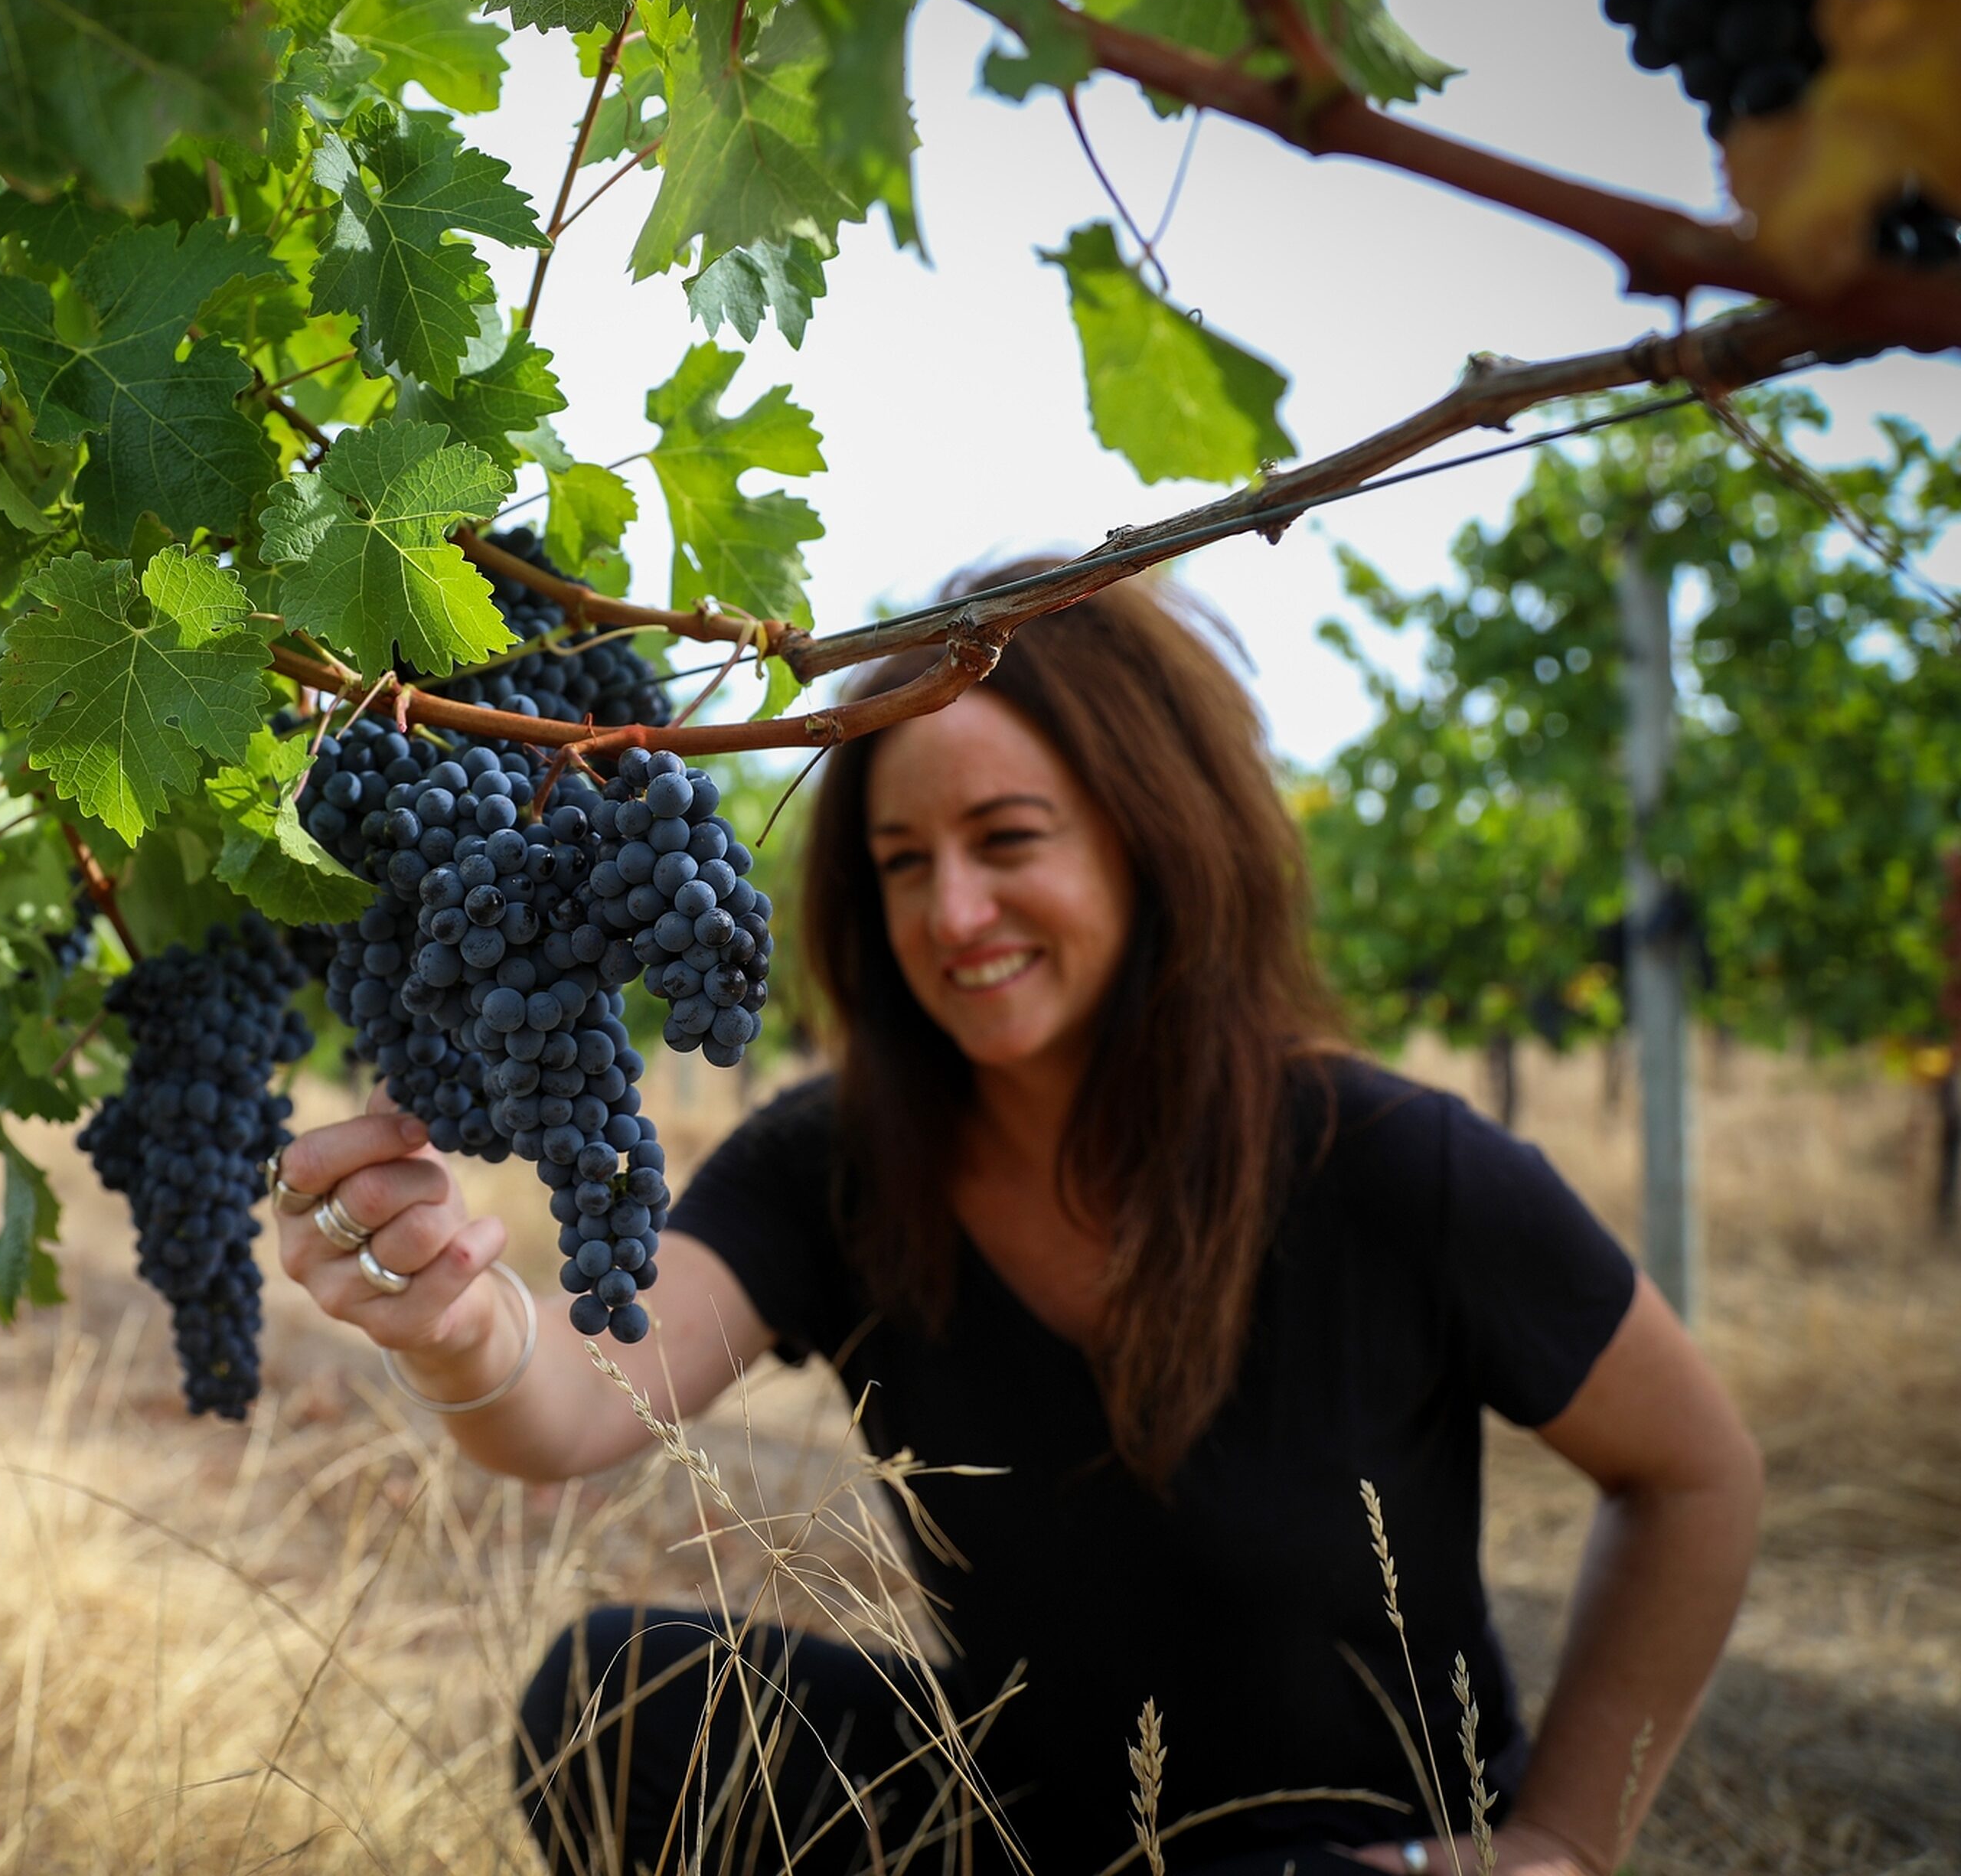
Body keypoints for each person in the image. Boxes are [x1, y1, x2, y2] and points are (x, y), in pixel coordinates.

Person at [269, 573, 1763, 1876]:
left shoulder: (1387, 1162)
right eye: (905, 862)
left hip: (1342, 1858)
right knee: (617, 1702)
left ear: (1149, 835)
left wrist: (1564, 1841)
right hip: (1029, 1826)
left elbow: (1697, 1471)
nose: (954, 911)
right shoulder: (840, 1162)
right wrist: (465, 1326)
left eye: (1009, 838)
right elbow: (586, 1400)